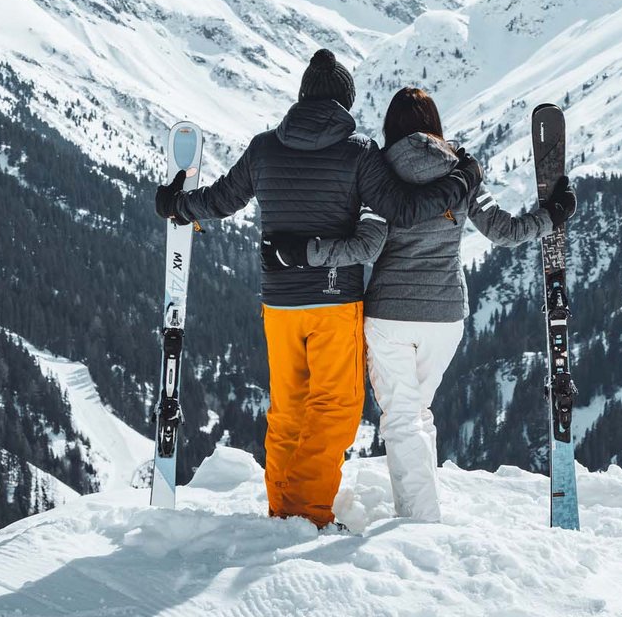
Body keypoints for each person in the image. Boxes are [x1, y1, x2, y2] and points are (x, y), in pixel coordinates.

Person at [154, 51, 481, 527]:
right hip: (334, 301)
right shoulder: (359, 152)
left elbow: (222, 199)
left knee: (288, 408)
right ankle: (304, 512)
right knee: (336, 409)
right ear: (345, 101)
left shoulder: (265, 148)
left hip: (280, 303)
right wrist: (464, 179)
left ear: (302, 96)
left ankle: (281, 505)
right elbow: (406, 211)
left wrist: (176, 204)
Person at [305, 86, 574, 523]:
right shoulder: (461, 173)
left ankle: (420, 523)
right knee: (417, 414)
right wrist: (552, 216)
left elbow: (367, 245)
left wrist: (310, 251)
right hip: (445, 315)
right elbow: (503, 230)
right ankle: (421, 513)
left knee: (401, 419)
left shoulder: (377, 174)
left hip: (390, 313)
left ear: (392, 126)